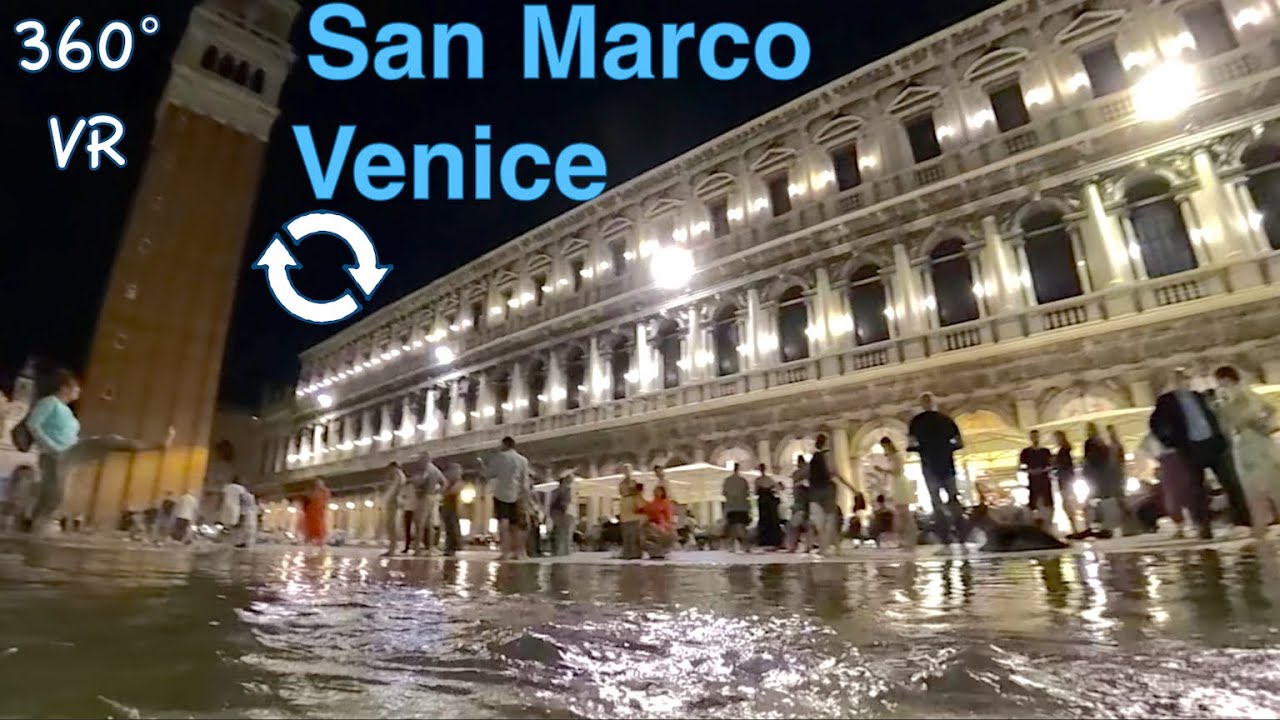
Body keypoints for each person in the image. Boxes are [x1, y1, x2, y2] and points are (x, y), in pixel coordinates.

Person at [23, 369, 172, 536]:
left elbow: (66, 434)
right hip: (56, 455)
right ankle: (36, 527)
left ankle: (158, 446)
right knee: (55, 495)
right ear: (65, 388)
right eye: (76, 388)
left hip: (73, 450)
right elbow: (33, 424)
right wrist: (50, 446)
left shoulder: (66, 410)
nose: (79, 391)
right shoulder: (49, 402)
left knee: (111, 441)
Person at [1150, 368, 1251, 538]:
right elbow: (1156, 424)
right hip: (1191, 447)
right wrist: (1173, 442)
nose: (1186, 382)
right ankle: (1203, 526)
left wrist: (1221, 436)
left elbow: (1214, 415)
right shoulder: (1166, 401)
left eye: (1187, 379)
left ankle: (1243, 522)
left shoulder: (1199, 396)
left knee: (1231, 482)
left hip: (1214, 444)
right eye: (1182, 379)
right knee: (1197, 490)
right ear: (1175, 382)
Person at [1213, 365, 1280, 538]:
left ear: (1228, 379)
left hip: (1253, 441)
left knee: (1261, 482)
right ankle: (1263, 521)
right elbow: (1269, 410)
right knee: (1264, 482)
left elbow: (1263, 411)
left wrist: (1258, 423)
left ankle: (1262, 521)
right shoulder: (1236, 395)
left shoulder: (1239, 394)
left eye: (1221, 380)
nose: (1220, 384)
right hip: (1250, 442)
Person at [907, 393, 964, 544]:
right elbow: (959, 442)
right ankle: (960, 531)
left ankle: (944, 534)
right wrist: (947, 447)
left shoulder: (916, 422)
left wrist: (923, 447)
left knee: (936, 501)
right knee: (953, 499)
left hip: (929, 466)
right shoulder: (945, 419)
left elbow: (912, 444)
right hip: (946, 464)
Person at [481, 436, 529, 561]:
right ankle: (519, 552)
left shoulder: (500, 457)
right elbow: (525, 481)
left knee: (503, 523)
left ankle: (505, 552)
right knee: (516, 525)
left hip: (501, 494)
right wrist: (525, 496)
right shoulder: (523, 460)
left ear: (505, 445)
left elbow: (489, 474)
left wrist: (482, 465)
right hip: (517, 494)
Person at [1141, 431, 1194, 539]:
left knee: (1175, 497)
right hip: (1174, 458)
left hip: (1170, 460)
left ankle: (1184, 526)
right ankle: (1186, 525)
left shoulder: (1155, 438)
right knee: (1178, 496)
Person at [808, 434, 855, 555]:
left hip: (814, 491)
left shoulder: (813, 458)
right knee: (830, 520)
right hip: (827, 490)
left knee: (821, 522)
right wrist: (851, 488)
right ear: (826, 443)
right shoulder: (826, 456)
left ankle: (826, 548)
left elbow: (807, 474)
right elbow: (834, 473)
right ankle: (833, 548)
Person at [876, 437, 917, 549]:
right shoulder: (893, 457)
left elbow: (897, 471)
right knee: (902, 513)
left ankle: (908, 539)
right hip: (897, 483)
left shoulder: (896, 457)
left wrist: (882, 470)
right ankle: (906, 540)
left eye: (884, 447)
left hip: (900, 484)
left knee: (904, 513)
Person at [1083, 422, 1122, 534]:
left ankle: (1108, 523)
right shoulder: (1093, 443)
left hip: (1101, 473)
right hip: (1097, 473)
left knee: (1105, 496)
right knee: (1102, 497)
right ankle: (1105, 522)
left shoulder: (1100, 443)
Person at [1019, 430, 1054, 528]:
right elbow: (1021, 467)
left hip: (1044, 483)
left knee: (1046, 503)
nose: (1035, 439)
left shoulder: (1045, 451)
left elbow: (1051, 465)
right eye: (1033, 437)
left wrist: (1041, 470)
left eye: (1036, 436)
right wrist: (1031, 471)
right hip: (1033, 483)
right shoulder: (1025, 452)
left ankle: (1047, 524)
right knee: (1034, 503)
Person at [414, 453, 446, 554]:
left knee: (420, 522)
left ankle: (417, 548)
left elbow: (421, 481)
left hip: (425, 497)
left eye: (421, 460)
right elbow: (444, 482)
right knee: (431, 523)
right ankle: (431, 547)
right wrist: (439, 492)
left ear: (425, 459)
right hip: (433, 497)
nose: (419, 463)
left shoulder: (428, 470)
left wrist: (417, 483)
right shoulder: (436, 470)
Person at [1052, 431, 1080, 535]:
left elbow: (1062, 466)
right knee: (1069, 504)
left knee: (1068, 504)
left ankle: (1074, 528)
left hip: (1065, 480)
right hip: (1067, 480)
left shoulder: (1063, 451)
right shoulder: (1065, 450)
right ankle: (1075, 527)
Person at [380, 461, 412, 556]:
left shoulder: (398, 476)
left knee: (391, 525)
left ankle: (392, 548)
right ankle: (392, 547)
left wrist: (385, 499)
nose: (389, 472)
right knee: (391, 525)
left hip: (393, 502)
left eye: (390, 469)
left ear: (393, 467)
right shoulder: (399, 476)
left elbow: (393, 490)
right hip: (395, 501)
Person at [721, 463, 751, 553]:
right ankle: (745, 545)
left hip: (731, 506)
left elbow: (724, 493)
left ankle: (731, 546)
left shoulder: (727, 480)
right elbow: (747, 493)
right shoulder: (743, 480)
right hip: (742, 506)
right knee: (742, 527)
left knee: (732, 527)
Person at [618, 465, 645, 559]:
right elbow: (621, 492)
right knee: (626, 532)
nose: (627, 471)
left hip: (634, 506)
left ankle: (636, 553)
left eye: (628, 469)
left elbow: (640, 491)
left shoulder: (636, 481)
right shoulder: (621, 483)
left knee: (635, 532)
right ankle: (627, 553)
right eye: (625, 470)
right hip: (625, 507)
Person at [642, 485, 677, 559]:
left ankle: (659, 553)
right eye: (655, 491)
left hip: (661, 524)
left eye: (658, 491)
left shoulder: (665, 503)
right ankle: (654, 553)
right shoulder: (652, 503)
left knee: (660, 539)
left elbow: (668, 514)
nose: (656, 492)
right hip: (652, 525)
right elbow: (646, 510)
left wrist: (667, 524)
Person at [754, 463, 783, 548]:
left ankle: (765, 540)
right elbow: (776, 489)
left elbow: (756, 492)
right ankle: (773, 540)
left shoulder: (758, 480)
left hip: (763, 502)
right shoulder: (769, 479)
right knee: (771, 520)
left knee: (765, 520)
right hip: (769, 501)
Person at [786, 457, 811, 552]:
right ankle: (808, 546)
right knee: (806, 525)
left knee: (793, 525)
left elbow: (796, 489)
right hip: (807, 502)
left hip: (800, 503)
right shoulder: (808, 472)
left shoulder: (797, 474)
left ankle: (792, 546)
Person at [548, 473, 576, 556]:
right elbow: (566, 503)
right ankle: (565, 551)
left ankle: (558, 550)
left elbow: (552, 503)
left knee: (559, 532)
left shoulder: (555, 491)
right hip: (563, 513)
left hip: (555, 512)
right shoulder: (567, 489)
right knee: (566, 532)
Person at [440, 462, 464, 556]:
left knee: (452, 526)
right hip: (447, 507)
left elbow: (450, 492)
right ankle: (450, 546)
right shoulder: (449, 482)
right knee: (449, 527)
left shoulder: (458, 483)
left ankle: (453, 546)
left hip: (453, 508)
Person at [304, 479, 330, 545]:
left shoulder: (324, 492)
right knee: (314, 524)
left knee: (318, 524)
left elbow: (324, 500)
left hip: (318, 512)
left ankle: (318, 539)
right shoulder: (316, 492)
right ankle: (313, 539)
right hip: (313, 513)